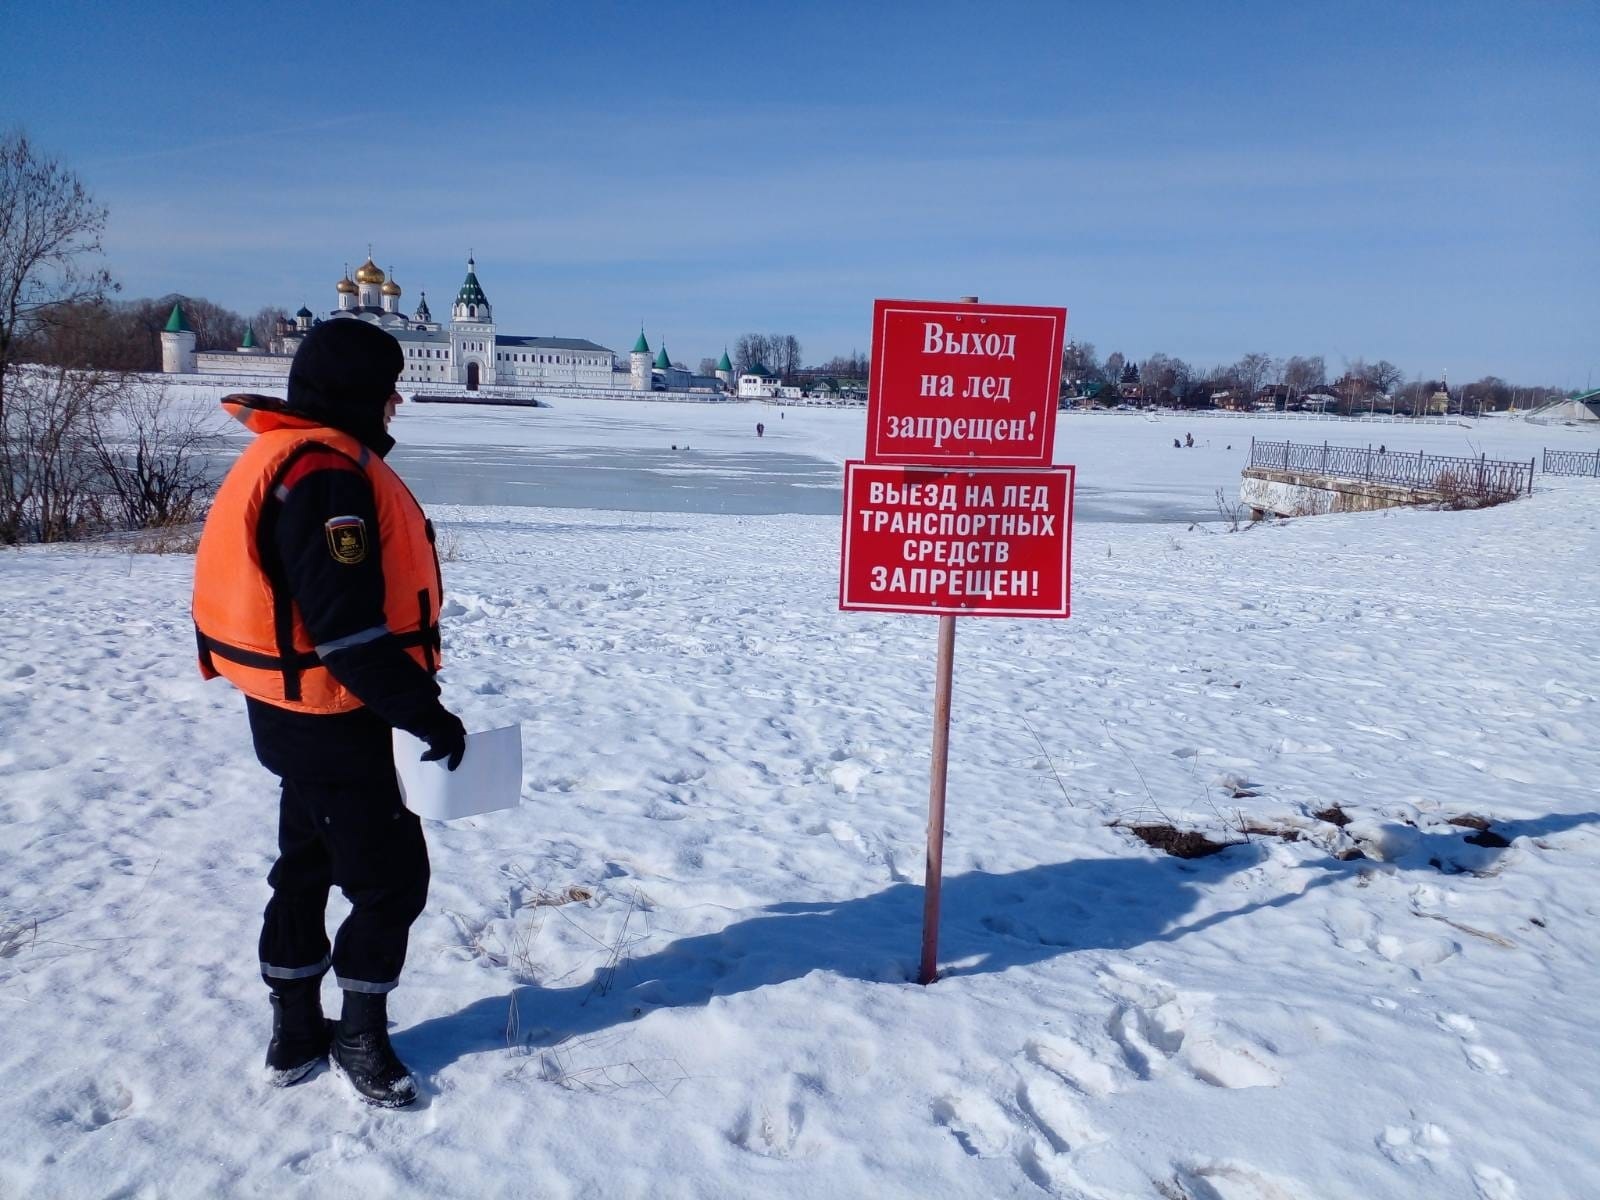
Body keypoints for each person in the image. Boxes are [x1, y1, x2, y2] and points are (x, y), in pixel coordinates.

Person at [192, 320, 466, 1108]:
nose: (397, 405)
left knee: (307, 863)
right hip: (329, 711)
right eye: (388, 392)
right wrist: (426, 716)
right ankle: (357, 1035)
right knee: (389, 881)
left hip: (286, 709)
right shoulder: (325, 477)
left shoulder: (297, 454)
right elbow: (346, 631)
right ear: (358, 395)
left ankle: (294, 1029)